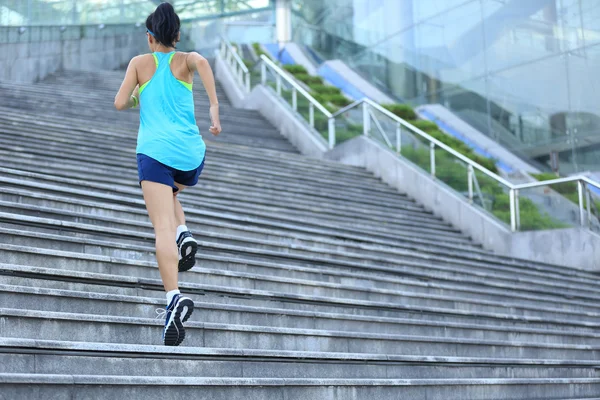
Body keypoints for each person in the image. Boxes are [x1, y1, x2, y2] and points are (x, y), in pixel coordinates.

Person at [114, 2, 221, 346]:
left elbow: (119, 103)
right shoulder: (184, 60)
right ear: (176, 36)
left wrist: (136, 97)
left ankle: (173, 297)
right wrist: (215, 108)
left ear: (150, 37)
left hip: (154, 152)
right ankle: (184, 232)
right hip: (191, 155)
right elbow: (202, 61)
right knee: (170, 194)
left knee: (160, 223)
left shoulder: (139, 64)